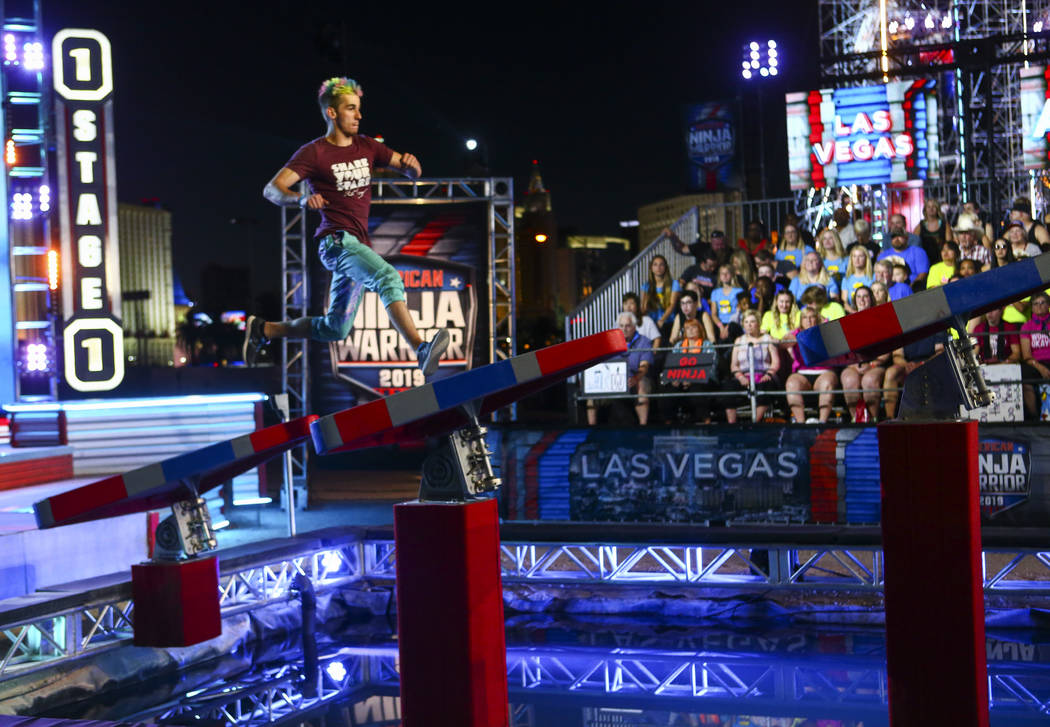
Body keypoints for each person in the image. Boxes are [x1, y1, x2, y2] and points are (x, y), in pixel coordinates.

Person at [244, 76, 449, 373]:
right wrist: (300, 200)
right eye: (351, 109)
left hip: (356, 245)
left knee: (336, 328)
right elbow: (272, 189)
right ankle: (420, 348)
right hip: (336, 242)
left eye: (359, 109)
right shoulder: (313, 153)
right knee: (388, 277)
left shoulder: (367, 146)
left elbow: (401, 165)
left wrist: (410, 168)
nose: (359, 115)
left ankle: (265, 331)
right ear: (332, 113)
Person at [586, 311, 653, 426]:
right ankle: (590, 429)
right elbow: (599, 364)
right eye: (621, 326)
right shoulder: (608, 341)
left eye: (628, 326)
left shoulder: (644, 341)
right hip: (610, 382)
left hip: (634, 378)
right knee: (591, 389)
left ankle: (643, 427)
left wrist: (636, 378)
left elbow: (644, 366)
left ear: (634, 326)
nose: (624, 329)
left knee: (641, 385)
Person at [839, 286, 890, 421]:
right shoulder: (847, 322)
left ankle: (873, 420)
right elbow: (843, 351)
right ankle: (856, 419)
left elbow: (886, 352)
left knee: (869, 381)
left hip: (876, 364)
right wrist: (852, 366)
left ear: (871, 299)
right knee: (849, 380)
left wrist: (872, 365)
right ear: (855, 301)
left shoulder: (881, 320)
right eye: (859, 297)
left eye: (865, 296)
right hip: (852, 365)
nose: (862, 300)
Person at [782, 305, 839, 423]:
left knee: (827, 383)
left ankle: (822, 422)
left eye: (812, 317)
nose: (808, 320)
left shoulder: (824, 331)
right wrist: (789, 339)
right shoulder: (796, 333)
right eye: (805, 317)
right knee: (791, 383)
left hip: (824, 372)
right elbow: (782, 345)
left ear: (817, 319)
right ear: (801, 320)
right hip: (802, 373)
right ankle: (800, 422)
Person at [724, 310, 780, 423]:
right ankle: (731, 424)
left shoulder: (767, 339)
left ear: (758, 323)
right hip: (744, 376)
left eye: (752, 322)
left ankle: (754, 422)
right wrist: (740, 377)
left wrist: (768, 374)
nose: (749, 325)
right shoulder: (739, 341)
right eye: (746, 322)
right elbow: (734, 365)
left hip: (763, 375)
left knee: (766, 388)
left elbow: (776, 362)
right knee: (728, 388)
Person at [1019, 292, 1050, 420]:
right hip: (1035, 363)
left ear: (1048, 305)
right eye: (1036, 304)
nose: (1039, 306)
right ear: (1032, 307)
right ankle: (1034, 417)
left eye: (1042, 303)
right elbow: (1026, 355)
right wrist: (1041, 368)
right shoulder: (1027, 326)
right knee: (1024, 374)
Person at [640, 254, 681, 335]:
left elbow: (672, 305)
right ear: (651, 268)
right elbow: (643, 307)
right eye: (655, 264)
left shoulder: (674, 284)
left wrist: (662, 320)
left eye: (661, 264)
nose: (658, 267)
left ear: (665, 267)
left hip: (668, 322)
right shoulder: (646, 286)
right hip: (651, 323)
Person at [914, 196, 952, 264]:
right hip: (924, 259)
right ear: (925, 209)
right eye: (928, 207)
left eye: (934, 207)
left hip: (941, 258)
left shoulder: (944, 224)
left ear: (937, 209)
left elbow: (949, 243)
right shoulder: (921, 225)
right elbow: (914, 242)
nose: (931, 209)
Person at [710, 264, 744, 341]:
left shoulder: (739, 291)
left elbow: (739, 311)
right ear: (719, 276)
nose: (725, 275)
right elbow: (714, 314)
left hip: (734, 323)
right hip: (720, 324)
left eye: (727, 273)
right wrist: (721, 328)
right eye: (722, 273)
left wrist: (727, 328)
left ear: (732, 275)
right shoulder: (715, 292)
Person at [840, 244, 874, 312]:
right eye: (854, 256)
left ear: (866, 258)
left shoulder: (873, 277)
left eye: (860, 256)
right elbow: (845, 303)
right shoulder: (846, 279)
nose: (857, 259)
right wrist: (855, 313)